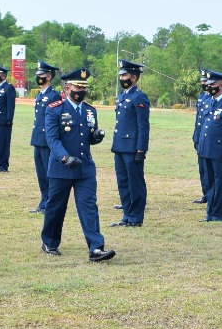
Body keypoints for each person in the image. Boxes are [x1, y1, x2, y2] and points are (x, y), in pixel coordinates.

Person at [40, 68, 116, 261]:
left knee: (89, 206)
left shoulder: (90, 110)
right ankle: (49, 242)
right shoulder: (54, 108)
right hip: (62, 167)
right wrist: (65, 158)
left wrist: (96, 137)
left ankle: (96, 248)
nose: (81, 90)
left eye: (84, 87)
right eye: (77, 86)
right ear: (66, 88)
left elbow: (88, 138)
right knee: (56, 207)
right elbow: (52, 139)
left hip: (84, 168)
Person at [110, 59, 151, 227]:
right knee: (123, 182)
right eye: (120, 75)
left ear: (133, 78)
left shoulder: (139, 97)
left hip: (132, 147)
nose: (121, 78)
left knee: (135, 183)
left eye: (125, 75)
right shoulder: (122, 97)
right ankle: (127, 215)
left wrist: (141, 148)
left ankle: (135, 218)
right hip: (119, 146)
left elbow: (143, 125)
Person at [197, 70, 222, 222]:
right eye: (208, 84)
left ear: (221, 85)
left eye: (212, 84)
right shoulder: (209, 102)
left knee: (221, 183)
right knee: (209, 181)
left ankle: (219, 213)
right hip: (206, 149)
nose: (209, 87)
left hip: (220, 150)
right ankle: (210, 211)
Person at [29, 61, 61, 214]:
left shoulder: (53, 95)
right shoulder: (40, 94)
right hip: (38, 139)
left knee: (49, 173)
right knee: (41, 173)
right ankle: (44, 201)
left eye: (41, 75)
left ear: (49, 76)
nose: (38, 78)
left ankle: (50, 202)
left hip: (47, 140)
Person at [193, 70, 213, 206]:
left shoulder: (212, 98)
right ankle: (205, 193)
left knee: (209, 170)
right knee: (202, 169)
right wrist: (195, 136)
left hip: (208, 139)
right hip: (200, 137)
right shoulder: (201, 97)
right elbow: (198, 119)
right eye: (202, 81)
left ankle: (211, 194)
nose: (203, 83)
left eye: (205, 81)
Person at [0, 64, 16, 172]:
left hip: (3, 121)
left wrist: (9, 119)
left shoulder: (8, 88)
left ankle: (3, 164)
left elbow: (11, 105)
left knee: (3, 144)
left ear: (4, 75)